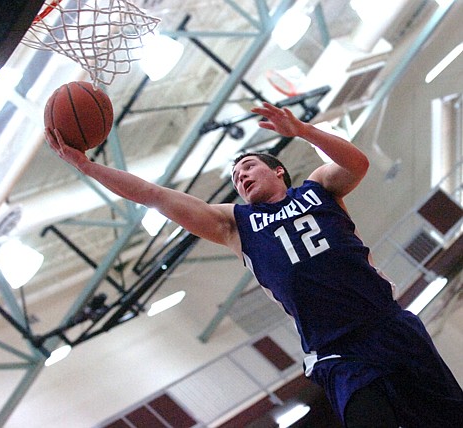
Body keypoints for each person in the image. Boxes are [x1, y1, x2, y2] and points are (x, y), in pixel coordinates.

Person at [46, 102, 463, 427]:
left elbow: (358, 163)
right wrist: (87, 166)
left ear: (278, 170)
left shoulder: (319, 188)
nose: (241, 177)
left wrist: (301, 130)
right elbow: (156, 196)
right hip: (337, 352)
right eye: (235, 178)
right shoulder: (235, 224)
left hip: (388, 324)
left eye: (248, 167)